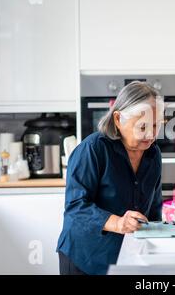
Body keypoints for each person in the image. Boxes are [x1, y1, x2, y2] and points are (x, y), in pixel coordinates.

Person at [57, 81, 164, 275]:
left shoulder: (153, 153)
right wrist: (117, 223)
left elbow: (154, 208)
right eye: (143, 126)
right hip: (85, 257)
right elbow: (75, 206)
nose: (151, 134)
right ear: (118, 119)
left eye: (157, 125)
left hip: (126, 258)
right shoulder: (93, 149)